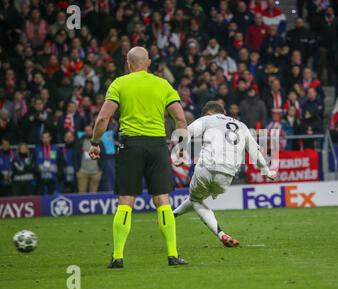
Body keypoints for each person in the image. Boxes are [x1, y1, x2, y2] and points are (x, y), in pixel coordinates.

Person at [89, 46, 188, 268]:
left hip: (130, 145)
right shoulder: (163, 84)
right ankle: (172, 255)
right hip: (157, 146)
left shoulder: (120, 84)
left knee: (125, 201)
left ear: (128, 62)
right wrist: (181, 147)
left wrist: (95, 143)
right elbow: (180, 120)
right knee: (162, 200)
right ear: (149, 62)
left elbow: (103, 119)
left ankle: (117, 257)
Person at [173, 101, 276, 246]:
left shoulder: (207, 119)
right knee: (197, 198)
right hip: (227, 175)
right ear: (224, 114)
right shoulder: (242, 125)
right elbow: (255, 152)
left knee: (196, 200)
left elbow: (184, 132)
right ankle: (172, 215)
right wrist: (267, 171)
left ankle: (221, 234)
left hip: (206, 167)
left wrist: (181, 149)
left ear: (209, 113)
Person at [75, 125, 104, 193]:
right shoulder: (80, 142)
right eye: (86, 131)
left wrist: (101, 170)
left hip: (96, 172)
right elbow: (75, 156)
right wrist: (77, 170)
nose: (88, 132)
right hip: (82, 171)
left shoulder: (99, 142)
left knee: (93, 194)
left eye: (89, 130)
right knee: (81, 193)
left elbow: (103, 156)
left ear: (93, 131)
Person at [35, 131, 60, 195]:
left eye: (47, 137)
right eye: (44, 138)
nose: (45, 139)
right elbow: (34, 163)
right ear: (41, 139)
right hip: (41, 178)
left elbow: (60, 161)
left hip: (53, 177)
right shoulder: (37, 149)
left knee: (52, 196)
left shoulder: (55, 148)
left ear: (50, 138)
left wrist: (59, 174)